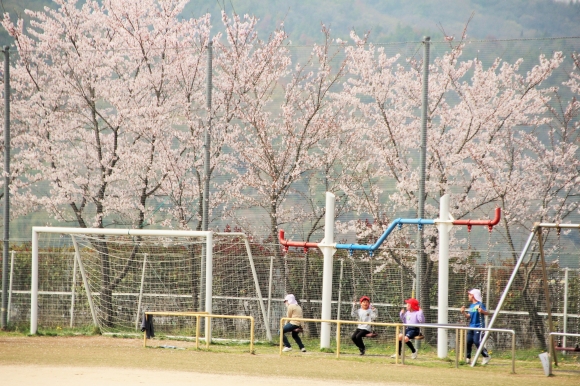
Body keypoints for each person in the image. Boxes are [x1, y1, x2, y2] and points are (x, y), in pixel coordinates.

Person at [460, 288, 491, 365]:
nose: (468, 296)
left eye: (469, 295)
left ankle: (486, 356)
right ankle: (468, 358)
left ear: (473, 296)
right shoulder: (471, 306)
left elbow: (487, 312)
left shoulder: (480, 304)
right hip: (471, 326)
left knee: (477, 342)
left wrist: (482, 311)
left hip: (478, 326)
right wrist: (463, 312)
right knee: (468, 341)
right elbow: (468, 316)